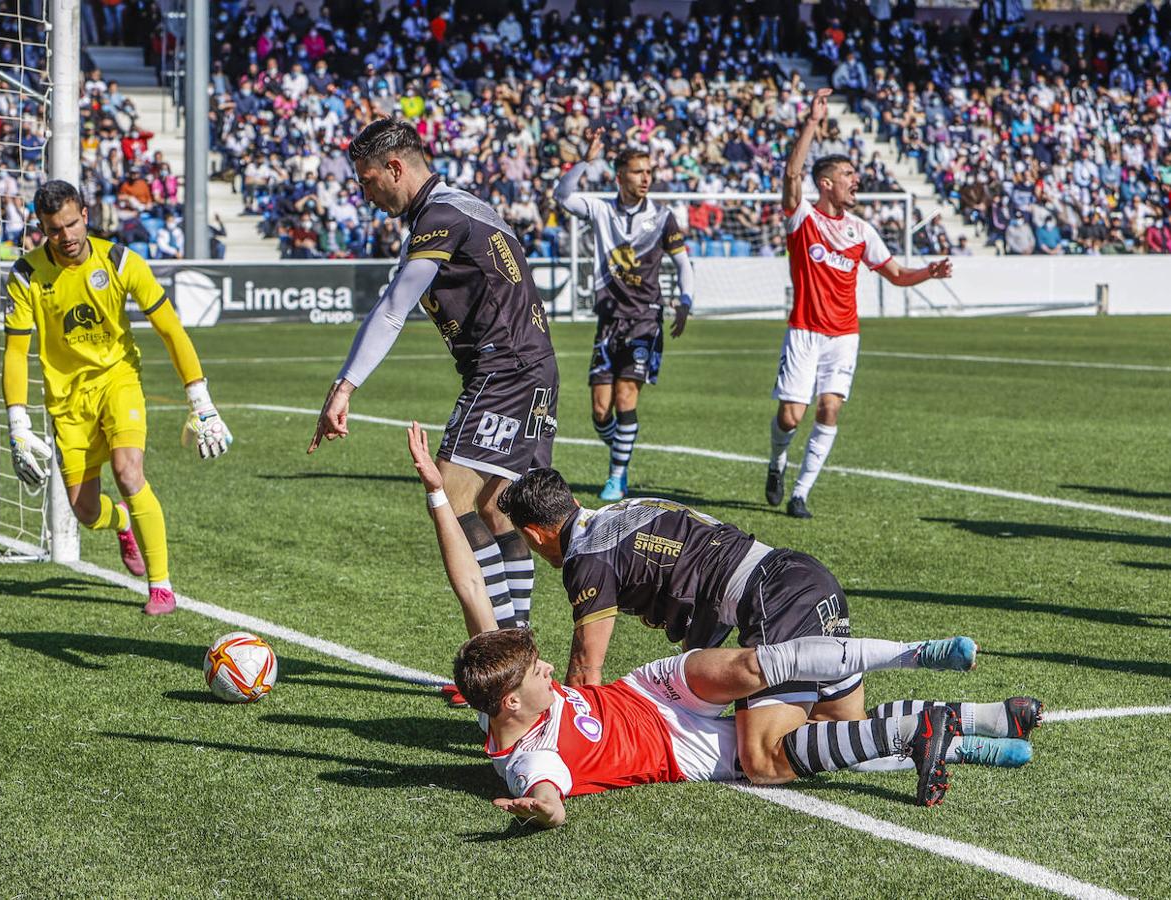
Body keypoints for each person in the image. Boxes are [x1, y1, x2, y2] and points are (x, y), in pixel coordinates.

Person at [405, 425, 1034, 820]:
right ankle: (983, 725)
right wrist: (540, 812)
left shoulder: (579, 570)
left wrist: (438, 496)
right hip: (790, 588)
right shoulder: (525, 759)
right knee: (832, 733)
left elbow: (506, 613)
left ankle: (916, 660)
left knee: (767, 744)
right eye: (533, 669)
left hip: (680, 670)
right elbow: (546, 795)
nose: (543, 664)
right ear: (511, 699)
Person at [491, 466, 1042, 789]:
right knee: (832, 733)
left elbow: (589, 666)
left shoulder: (587, 556)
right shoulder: (617, 512)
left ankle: (923, 687)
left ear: (538, 534)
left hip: (773, 601)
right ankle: (979, 725)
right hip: (805, 578)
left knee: (764, 759)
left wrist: (572, 725)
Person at [309, 118, 559, 647]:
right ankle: (518, 644)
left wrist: (344, 386)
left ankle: (498, 654)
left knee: (450, 494)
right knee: (497, 508)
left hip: (504, 369)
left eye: (368, 180)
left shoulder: (440, 217)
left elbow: (395, 307)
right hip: (533, 367)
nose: (365, 193)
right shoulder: (459, 207)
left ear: (395, 168)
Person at [2, 180, 232, 615]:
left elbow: (170, 329)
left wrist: (200, 399)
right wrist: (17, 424)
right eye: (55, 230)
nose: (66, 237)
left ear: (86, 215)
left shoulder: (121, 261)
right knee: (86, 513)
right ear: (41, 228)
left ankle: (161, 586)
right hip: (67, 402)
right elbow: (15, 352)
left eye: (72, 224)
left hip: (118, 380)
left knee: (128, 474)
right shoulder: (26, 275)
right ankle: (123, 522)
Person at [767, 88, 953, 519]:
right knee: (791, 417)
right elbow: (792, 175)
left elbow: (897, 275)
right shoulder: (804, 219)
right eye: (848, 174)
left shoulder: (861, 230)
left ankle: (801, 493)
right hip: (804, 331)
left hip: (843, 335)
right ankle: (777, 462)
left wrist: (929, 271)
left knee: (829, 408)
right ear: (826, 183)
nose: (857, 180)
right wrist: (813, 121)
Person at [555, 129, 694, 501]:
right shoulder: (601, 209)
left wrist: (685, 300)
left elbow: (683, 263)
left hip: (645, 320)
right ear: (619, 176)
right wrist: (584, 160)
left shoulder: (664, 218)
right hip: (609, 321)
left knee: (625, 395)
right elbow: (562, 195)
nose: (646, 178)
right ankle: (621, 449)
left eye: (649, 171)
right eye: (637, 171)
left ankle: (617, 475)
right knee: (601, 412)